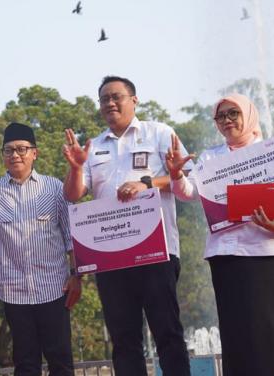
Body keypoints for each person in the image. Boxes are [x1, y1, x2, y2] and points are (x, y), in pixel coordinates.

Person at [63, 76, 192, 376]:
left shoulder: (159, 133)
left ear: (134, 100)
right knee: (123, 341)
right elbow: (72, 195)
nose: (110, 103)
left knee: (168, 334)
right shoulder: (93, 148)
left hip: (156, 252)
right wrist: (76, 167)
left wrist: (146, 183)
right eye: (104, 99)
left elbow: (187, 181)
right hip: (111, 257)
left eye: (116, 96)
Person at [166, 93, 274, 376]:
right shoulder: (211, 157)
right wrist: (177, 176)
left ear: (249, 116)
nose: (227, 121)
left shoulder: (272, 150)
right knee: (236, 332)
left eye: (233, 114)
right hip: (225, 255)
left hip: (266, 252)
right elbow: (191, 192)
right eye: (220, 116)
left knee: (272, 331)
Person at [0, 122, 82, 376]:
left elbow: (70, 237)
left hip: (55, 289)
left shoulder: (54, 188)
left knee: (61, 361)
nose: (15, 155)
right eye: (8, 150)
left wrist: (77, 275)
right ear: (3, 156)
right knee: (25, 363)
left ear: (35, 153)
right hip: (14, 293)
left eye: (22, 149)